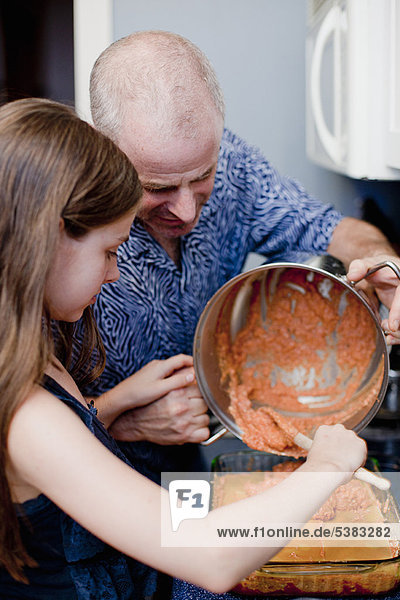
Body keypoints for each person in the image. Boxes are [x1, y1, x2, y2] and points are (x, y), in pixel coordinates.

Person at [0, 97, 368, 600]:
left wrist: (113, 406)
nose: (113, 272)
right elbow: (211, 560)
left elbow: (61, 457)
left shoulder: (34, 356)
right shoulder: (29, 415)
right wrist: (326, 468)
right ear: (48, 240)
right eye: (108, 252)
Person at [84, 30, 399, 480]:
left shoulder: (234, 165)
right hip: (84, 489)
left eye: (202, 177)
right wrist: (118, 418)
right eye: (157, 188)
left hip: (184, 476)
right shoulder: (64, 216)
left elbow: (326, 227)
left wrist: (382, 261)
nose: (187, 210)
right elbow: (18, 409)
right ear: (103, 144)